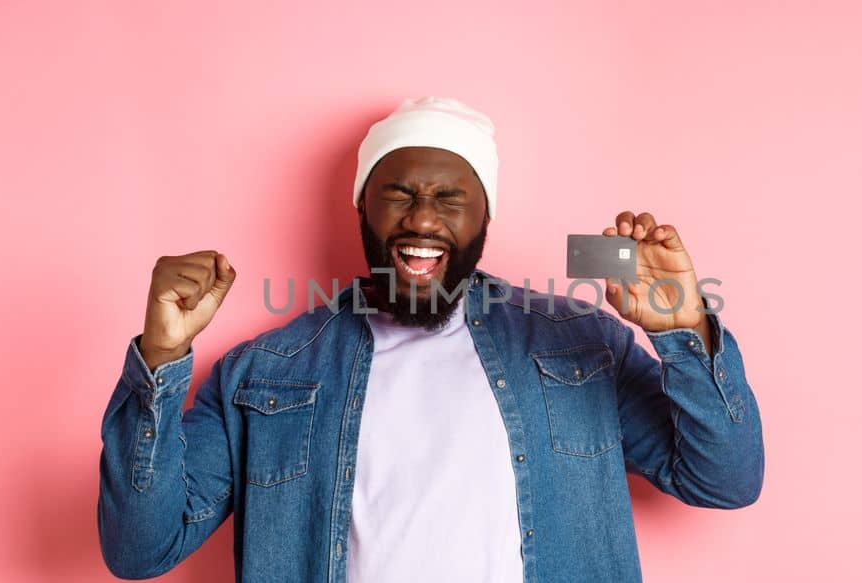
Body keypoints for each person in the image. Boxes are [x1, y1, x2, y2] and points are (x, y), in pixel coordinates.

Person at [97, 97, 764, 582]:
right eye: (398, 192)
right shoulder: (263, 372)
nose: (421, 217)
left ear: (484, 215)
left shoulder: (578, 346)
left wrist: (682, 328)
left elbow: (726, 478)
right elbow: (140, 548)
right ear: (361, 205)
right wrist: (160, 358)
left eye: (450, 197)